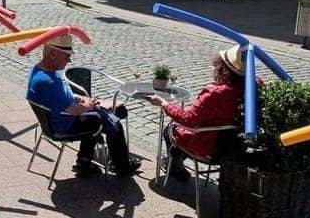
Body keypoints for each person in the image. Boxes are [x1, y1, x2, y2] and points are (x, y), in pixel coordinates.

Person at [26, 35, 140, 177]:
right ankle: (122, 168)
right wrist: (90, 105)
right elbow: (72, 110)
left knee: (115, 112)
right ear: (53, 54)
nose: (69, 60)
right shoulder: (48, 81)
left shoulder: (39, 72)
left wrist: (82, 99)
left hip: (54, 121)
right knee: (112, 122)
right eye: (67, 56)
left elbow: (62, 98)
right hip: (64, 125)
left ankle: (84, 162)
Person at [146, 45, 245, 181]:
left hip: (208, 145)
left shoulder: (215, 93)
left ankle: (176, 167)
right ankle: (175, 159)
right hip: (233, 146)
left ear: (222, 69)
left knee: (169, 129)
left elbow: (188, 119)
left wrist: (163, 103)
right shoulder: (253, 86)